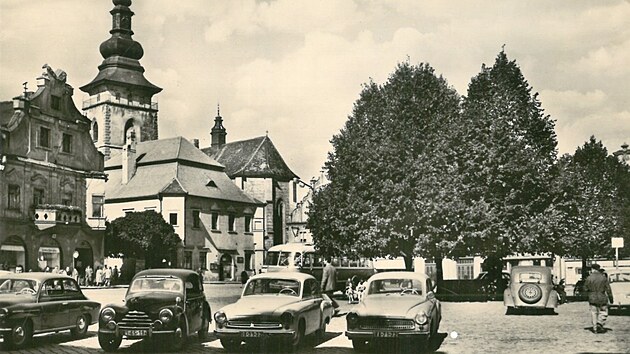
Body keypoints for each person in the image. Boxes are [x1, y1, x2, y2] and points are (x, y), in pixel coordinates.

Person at [584, 264, 614, 333]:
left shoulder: (589, 278)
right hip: (602, 297)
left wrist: (588, 294)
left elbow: (585, 288)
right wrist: (611, 298)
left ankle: (595, 329)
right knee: (604, 312)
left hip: (592, 297)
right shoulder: (603, 278)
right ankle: (600, 322)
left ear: (592, 269)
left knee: (593, 313)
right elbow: (608, 289)